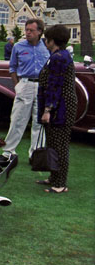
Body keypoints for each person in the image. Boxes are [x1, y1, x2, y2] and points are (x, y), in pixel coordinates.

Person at [0, 18, 50, 162]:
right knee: (17, 119)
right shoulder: (18, 46)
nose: (27, 33)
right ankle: (8, 151)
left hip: (42, 86)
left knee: (39, 122)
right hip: (25, 84)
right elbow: (12, 68)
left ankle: (35, 155)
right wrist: (17, 86)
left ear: (39, 31)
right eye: (26, 30)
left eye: (31, 30)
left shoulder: (47, 47)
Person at [35, 25, 77, 193]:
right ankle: (53, 177)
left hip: (61, 108)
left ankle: (60, 184)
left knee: (59, 144)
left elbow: (55, 86)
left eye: (47, 38)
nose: (45, 41)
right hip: (61, 106)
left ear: (53, 40)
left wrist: (48, 110)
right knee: (53, 142)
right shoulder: (60, 56)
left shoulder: (58, 58)